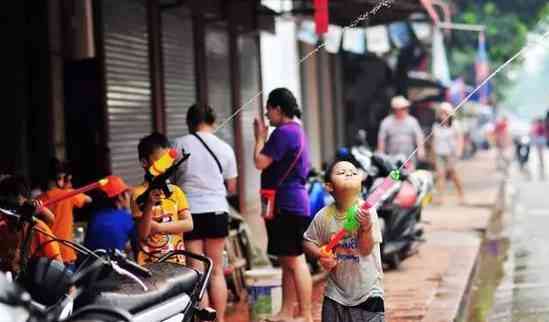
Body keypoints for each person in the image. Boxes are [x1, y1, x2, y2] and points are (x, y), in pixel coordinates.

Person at [172, 104, 238, 322]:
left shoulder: (180, 144)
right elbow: (232, 187)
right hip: (217, 210)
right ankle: (219, 320)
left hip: (189, 212)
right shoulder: (225, 148)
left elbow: (170, 179)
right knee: (217, 270)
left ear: (190, 123)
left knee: (197, 271)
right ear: (213, 121)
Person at [253, 88, 313, 322]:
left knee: (295, 260)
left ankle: (306, 315)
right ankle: (287, 312)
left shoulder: (283, 133)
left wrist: (259, 138)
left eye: (268, 110)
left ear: (278, 108)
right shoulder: (296, 131)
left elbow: (260, 162)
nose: (267, 116)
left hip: (285, 204)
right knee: (287, 259)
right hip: (293, 202)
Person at [303, 159, 384, 322]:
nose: (349, 173)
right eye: (341, 172)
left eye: (354, 172)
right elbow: (307, 241)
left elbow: (366, 250)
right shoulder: (324, 216)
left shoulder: (368, 213)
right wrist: (320, 254)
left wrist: (366, 228)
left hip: (368, 293)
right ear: (329, 187)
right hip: (335, 294)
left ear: (360, 184)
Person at [131, 132, 193, 265]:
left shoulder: (176, 191)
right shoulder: (138, 193)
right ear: (144, 162)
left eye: (168, 161)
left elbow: (189, 224)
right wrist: (149, 203)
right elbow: (143, 234)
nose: (166, 166)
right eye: (160, 161)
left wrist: (159, 227)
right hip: (150, 265)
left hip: (177, 262)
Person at [0, 175, 62, 272]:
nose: (9, 214)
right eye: (5, 206)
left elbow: (59, 270)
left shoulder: (39, 229)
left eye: (16, 207)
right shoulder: (2, 229)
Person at [39, 159, 92, 269]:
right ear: (59, 178)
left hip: (47, 256)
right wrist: (68, 188)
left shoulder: (38, 200)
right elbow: (88, 199)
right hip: (66, 254)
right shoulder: (68, 195)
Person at [84, 176, 135, 253]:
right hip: (112, 262)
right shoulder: (125, 218)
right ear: (120, 197)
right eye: (126, 194)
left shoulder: (95, 218)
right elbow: (134, 244)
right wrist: (128, 210)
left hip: (92, 262)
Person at [377, 96, 425, 168]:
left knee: (409, 177)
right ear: (395, 109)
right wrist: (380, 153)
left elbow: (419, 136)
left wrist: (421, 150)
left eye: (405, 108)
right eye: (402, 108)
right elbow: (381, 139)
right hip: (392, 159)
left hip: (409, 158)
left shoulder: (412, 121)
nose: (405, 110)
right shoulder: (386, 122)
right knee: (395, 177)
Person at [432, 102, 465, 205]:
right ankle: (440, 197)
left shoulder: (455, 124)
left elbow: (460, 138)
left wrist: (459, 151)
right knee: (440, 175)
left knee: (453, 174)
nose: (443, 115)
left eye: (445, 113)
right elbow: (434, 140)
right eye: (441, 113)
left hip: (451, 154)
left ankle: (461, 195)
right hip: (439, 153)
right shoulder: (436, 126)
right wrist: (433, 154)